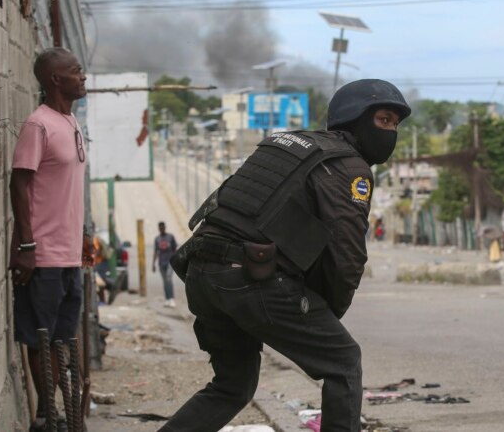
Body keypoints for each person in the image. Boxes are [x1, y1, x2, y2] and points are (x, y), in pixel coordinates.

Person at [161, 79, 410, 432]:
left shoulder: (285, 144)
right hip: (250, 277)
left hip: (201, 272)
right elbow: (347, 255)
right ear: (354, 118)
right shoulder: (350, 167)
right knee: (343, 361)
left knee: (234, 385)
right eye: (384, 120)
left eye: (395, 124)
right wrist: (327, 316)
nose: (391, 131)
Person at [9, 47, 91, 432]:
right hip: (40, 255)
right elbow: (19, 183)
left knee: (61, 337)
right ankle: (46, 415)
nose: (83, 76)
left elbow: (66, 189)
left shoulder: (70, 122)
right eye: (76, 71)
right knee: (40, 337)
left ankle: (54, 413)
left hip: (69, 254)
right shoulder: (38, 125)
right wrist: (26, 246)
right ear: (56, 79)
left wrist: (83, 235)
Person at [152, 221, 178, 307]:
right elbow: (156, 252)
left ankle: (172, 299)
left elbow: (175, 249)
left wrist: (176, 261)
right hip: (161, 263)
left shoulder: (170, 237)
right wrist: (153, 264)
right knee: (165, 281)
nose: (161, 229)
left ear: (165, 227)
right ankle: (167, 299)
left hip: (170, 262)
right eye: (160, 228)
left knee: (168, 279)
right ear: (158, 229)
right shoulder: (157, 239)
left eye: (163, 227)